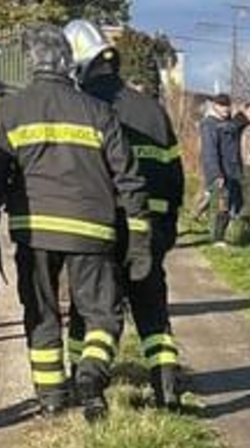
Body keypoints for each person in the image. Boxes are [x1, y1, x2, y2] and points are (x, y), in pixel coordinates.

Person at [0, 23, 149, 423]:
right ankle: (90, 377)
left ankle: (52, 397)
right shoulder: (99, 112)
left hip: (34, 231)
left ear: (32, 62)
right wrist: (139, 240)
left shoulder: (9, 111)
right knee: (102, 313)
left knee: (41, 312)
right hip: (93, 231)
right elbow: (129, 179)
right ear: (70, 62)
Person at [64, 20, 185, 409]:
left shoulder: (83, 109)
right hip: (149, 230)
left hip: (99, 231)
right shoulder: (151, 109)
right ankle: (166, 389)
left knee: (91, 310)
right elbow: (174, 175)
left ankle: (82, 381)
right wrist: (164, 228)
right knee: (152, 310)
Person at [200, 93, 243, 244]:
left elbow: (236, 127)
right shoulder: (209, 125)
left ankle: (224, 236)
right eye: (222, 105)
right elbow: (209, 151)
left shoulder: (229, 124)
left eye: (227, 105)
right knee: (220, 206)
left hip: (232, 172)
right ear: (215, 106)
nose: (225, 108)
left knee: (233, 205)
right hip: (219, 172)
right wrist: (216, 174)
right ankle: (216, 239)